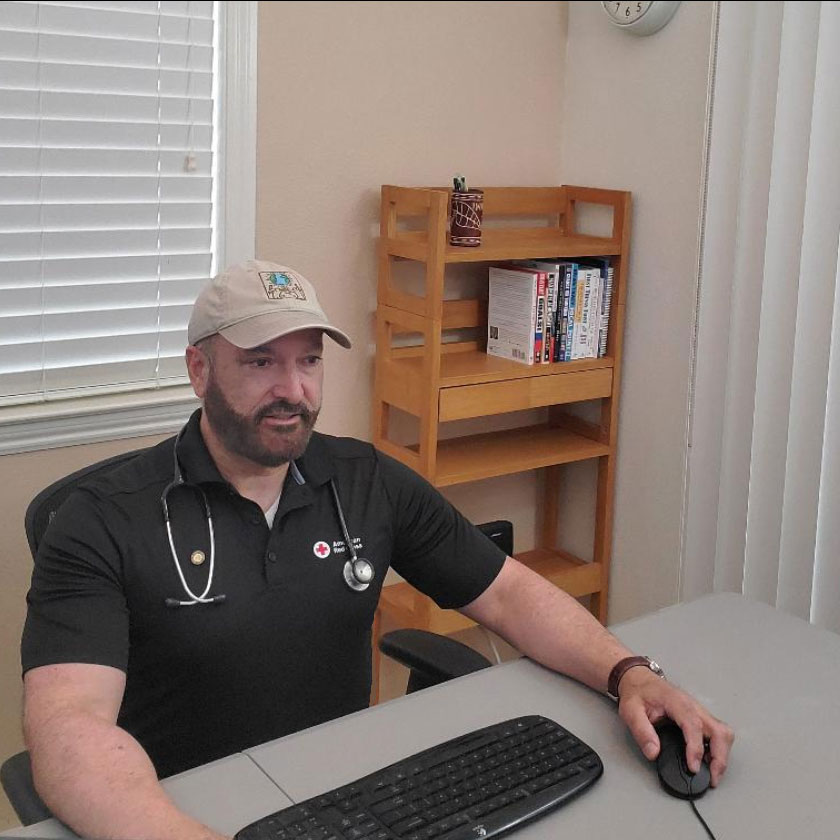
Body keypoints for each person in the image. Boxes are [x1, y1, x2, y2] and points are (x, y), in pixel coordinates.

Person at [21, 260, 733, 840]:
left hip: (352, 797)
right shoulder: (99, 520)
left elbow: (509, 593)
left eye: (308, 361)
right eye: (260, 363)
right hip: (178, 809)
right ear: (199, 371)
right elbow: (68, 725)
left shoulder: (364, 480)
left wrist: (629, 673)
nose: (293, 390)